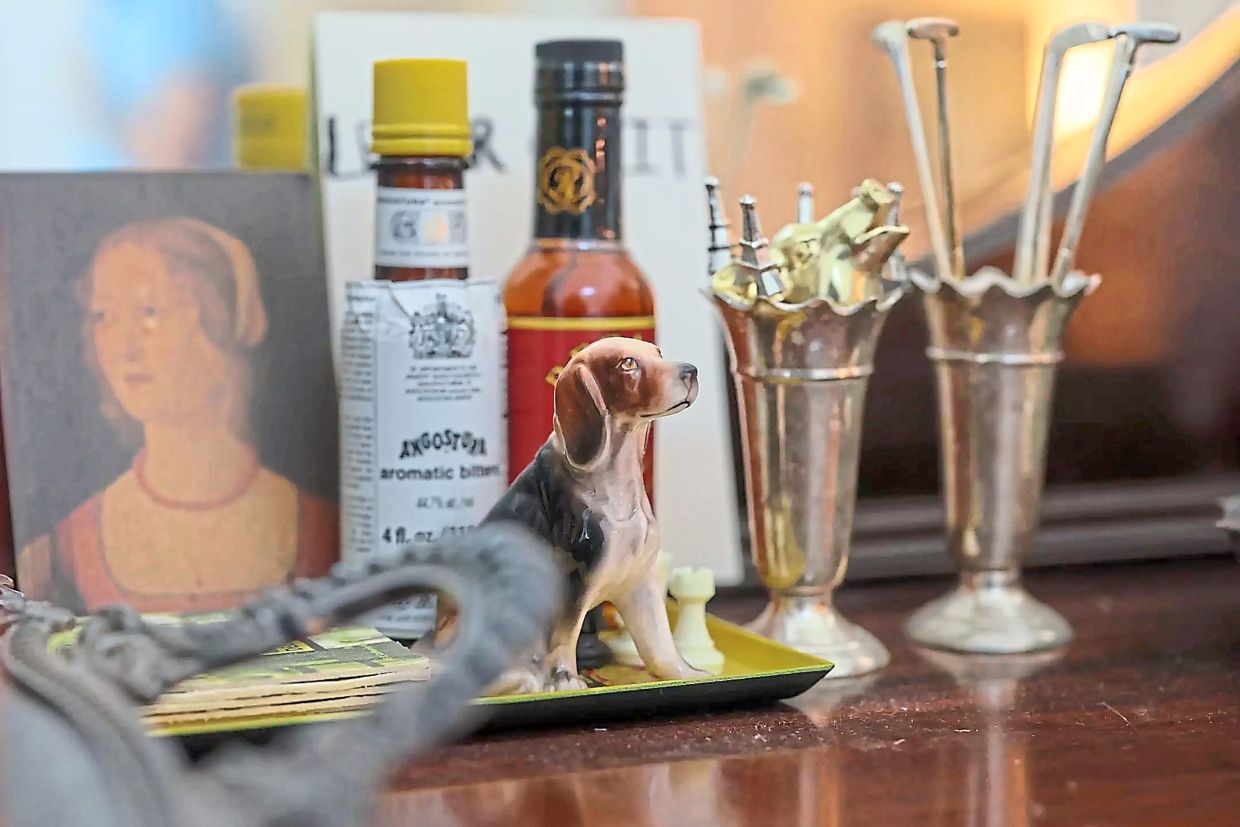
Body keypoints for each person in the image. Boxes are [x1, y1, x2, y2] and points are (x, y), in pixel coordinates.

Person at [18, 218, 336, 613]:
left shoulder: (322, 530)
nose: (125, 347)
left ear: (220, 326)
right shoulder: (67, 547)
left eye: (149, 312)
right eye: (104, 316)